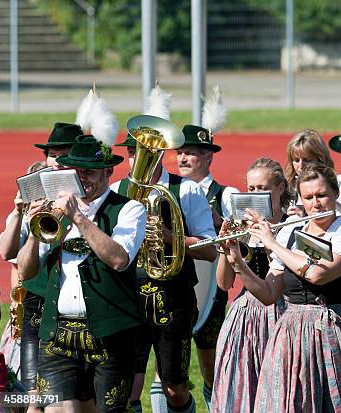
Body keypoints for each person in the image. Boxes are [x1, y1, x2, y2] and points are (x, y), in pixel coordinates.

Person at [227, 162, 341, 412]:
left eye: (321, 195)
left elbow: (318, 274)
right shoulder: (290, 231)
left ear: (335, 193)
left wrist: (272, 244)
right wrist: (237, 262)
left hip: (336, 329)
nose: (316, 203)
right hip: (291, 335)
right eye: (308, 197)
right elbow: (268, 294)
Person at [16, 135, 147, 412]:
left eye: (89, 171)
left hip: (111, 334)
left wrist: (79, 218)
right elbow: (27, 273)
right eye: (76, 171)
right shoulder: (56, 212)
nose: (81, 178)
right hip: (58, 334)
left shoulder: (129, 209)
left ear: (108, 172)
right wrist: (33, 231)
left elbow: (119, 259)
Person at [112, 126, 217, 413]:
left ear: (159, 154)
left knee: (175, 389)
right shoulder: (114, 192)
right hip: (128, 299)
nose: (135, 160)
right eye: (131, 153)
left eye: (141, 153)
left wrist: (172, 238)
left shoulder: (186, 189)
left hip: (172, 301)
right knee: (125, 389)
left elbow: (210, 248)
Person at [0, 122, 82, 413]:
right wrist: (22, 212)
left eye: (64, 154)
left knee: (81, 400)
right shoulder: (34, 190)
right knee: (34, 398)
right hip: (36, 305)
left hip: (79, 309)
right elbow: (7, 252)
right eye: (52, 154)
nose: (56, 161)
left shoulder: (92, 196)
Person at [211, 157, 291, 412]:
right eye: (251, 189)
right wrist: (228, 247)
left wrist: (267, 236)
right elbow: (224, 283)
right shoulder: (241, 227)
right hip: (246, 316)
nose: (255, 195)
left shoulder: (291, 224)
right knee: (243, 387)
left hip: (283, 314)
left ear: (280, 189)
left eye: (263, 189)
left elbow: (281, 275)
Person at [175, 122, 238, 410]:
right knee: (169, 362)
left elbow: (240, 239)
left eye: (192, 153)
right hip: (173, 282)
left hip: (211, 285)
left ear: (209, 157)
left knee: (209, 359)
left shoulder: (225, 194)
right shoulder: (171, 190)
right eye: (180, 152)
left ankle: (214, 402)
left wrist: (216, 220)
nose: (183, 159)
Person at [284, 129, 334, 216]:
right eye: (296, 160)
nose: (301, 165)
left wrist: (304, 216)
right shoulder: (287, 188)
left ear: (320, 159)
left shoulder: (336, 186)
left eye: (307, 160)